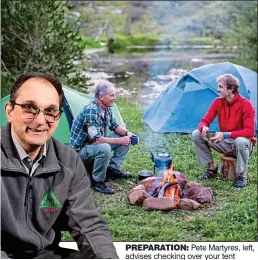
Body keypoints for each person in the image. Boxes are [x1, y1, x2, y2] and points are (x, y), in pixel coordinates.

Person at [1, 73, 118, 259]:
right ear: (9, 111)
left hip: (47, 255)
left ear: (58, 118)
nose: (40, 121)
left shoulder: (68, 160)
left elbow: (89, 224)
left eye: (50, 111)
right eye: (29, 108)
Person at [69, 80, 134, 195]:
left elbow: (114, 126)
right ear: (101, 97)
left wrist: (127, 133)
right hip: (80, 151)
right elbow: (96, 139)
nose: (114, 98)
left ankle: (112, 170)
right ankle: (97, 181)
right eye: (112, 95)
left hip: (93, 145)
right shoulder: (91, 110)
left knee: (125, 138)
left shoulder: (107, 107)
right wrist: (119, 140)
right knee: (104, 148)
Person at [192, 74, 256, 188]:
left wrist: (225, 135)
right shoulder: (218, 102)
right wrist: (203, 127)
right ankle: (212, 168)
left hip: (243, 145)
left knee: (240, 141)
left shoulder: (246, 104)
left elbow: (250, 132)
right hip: (226, 143)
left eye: (221, 87)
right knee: (196, 134)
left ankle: (242, 175)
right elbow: (204, 121)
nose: (218, 89)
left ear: (231, 89)